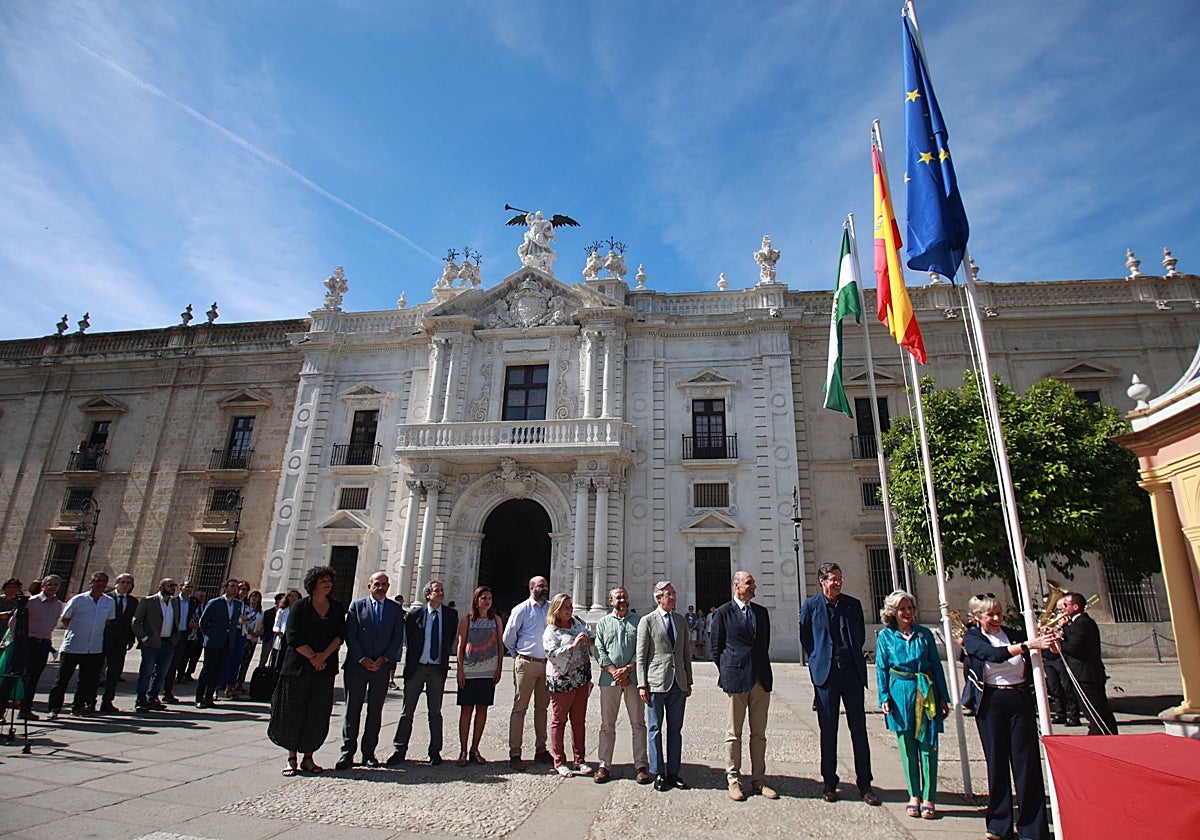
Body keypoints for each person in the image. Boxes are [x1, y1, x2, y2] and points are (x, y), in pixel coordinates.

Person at [961, 594, 1054, 840]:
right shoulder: (973, 638)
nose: (996, 618)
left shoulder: (1013, 633)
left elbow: (1041, 651)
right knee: (997, 763)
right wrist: (1027, 645)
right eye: (990, 614)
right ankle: (999, 824)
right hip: (991, 703)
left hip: (1018, 699)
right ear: (978, 617)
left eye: (999, 613)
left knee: (1027, 764)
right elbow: (992, 654)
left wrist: (1047, 641)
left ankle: (1033, 828)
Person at [799, 562, 879, 805]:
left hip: (851, 674)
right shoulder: (811, 606)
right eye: (833, 579)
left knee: (859, 730)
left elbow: (858, 635)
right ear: (822, 581)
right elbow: (806, 638)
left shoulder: (852, 605)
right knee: (828, 731)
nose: (838, 582)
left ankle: (865, 784)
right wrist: (817, 663)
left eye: (839, 578)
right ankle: (829, 783)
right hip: (827, 675)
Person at [875, 590, 950, 820]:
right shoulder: (886, 637)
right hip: (899, 692)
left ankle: (929, 797)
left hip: (924, 691)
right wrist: (884, 697)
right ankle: (914, 795)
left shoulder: (924, 634)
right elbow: (881, 669)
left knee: (928, 746)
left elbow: (936, 666)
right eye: (902, 609)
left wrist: (943, 696)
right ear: (893, 612)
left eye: (910, 608)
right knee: (907, 747)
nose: (907, 613)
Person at [268, 565, 346, 776]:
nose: (328, 584)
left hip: (324, 667)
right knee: (293, 710)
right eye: (323, 580)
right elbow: (292, 636)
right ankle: (291, 758)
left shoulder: (337, 607)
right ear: (314, 583)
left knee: (317, 712)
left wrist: (323, 657)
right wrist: (313, 656)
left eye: (329, 580)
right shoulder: (300, 606)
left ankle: (308, 757)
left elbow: (340, 634)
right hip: (298, 667)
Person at [710, 571, 778, 801]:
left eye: (753, 582)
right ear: (736, 586)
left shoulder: (761, 613)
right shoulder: (722, 613)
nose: (753, 586)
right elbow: (716, 648)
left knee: (759, 734)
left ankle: (759, 780)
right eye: (749, 583)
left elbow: (764, 644)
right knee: (734, 734)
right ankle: (733, 780)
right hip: (736, 679)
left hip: (760, 679)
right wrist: (728, 671)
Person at [337, 571, 404, 770]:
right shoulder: (356, 606)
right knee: (352, 710)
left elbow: (397, 637)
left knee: (375, 711)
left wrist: (384, 659)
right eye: (377, 584)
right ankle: (347, 752)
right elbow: (351, 634)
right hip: (357, 667)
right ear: (369, 586)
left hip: (381, 667)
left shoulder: (394, 609)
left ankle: (369, 753)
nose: (380, 587)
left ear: (389, 586)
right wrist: (362, 659)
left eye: (384, 584)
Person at [388, 580, 457, 766]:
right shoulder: (415, 614)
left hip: (436, 669)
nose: (441, 593)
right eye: (437, 591)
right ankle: (399, 749)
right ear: (427, 594)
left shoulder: (450, 615)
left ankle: (435, 751)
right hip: (417, 667)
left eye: (442, 590)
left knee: (435, 712)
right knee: (406, 711)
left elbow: (450, 639)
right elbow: (410, 639)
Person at [635, 579, 692, 792]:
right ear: (659, 598)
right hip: (656, 682)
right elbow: (641, 656)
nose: (673, 597)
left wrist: (689, 680)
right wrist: (642, 684)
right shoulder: (647, 621)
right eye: (669, 594)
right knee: (655, 729)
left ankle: (674, 773)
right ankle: (658, 771)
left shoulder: (680, 621)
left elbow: (685, 653)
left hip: (678, 683)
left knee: (675, 730)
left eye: (674, 593)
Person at [593, 586, 650, 785]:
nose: (622, 600)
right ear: (610, 601)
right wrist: (614, 672)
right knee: (607, 724)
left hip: (633, 679)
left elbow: (642, 649)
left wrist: (628, 670)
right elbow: (598, 649)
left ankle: (641, 765)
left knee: (638, 723)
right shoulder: (602, 623)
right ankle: (604, 764)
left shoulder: (639, 622)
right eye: (618, 597)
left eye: (624, 596)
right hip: (609, 680)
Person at [47, 571, 115, 718]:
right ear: (91, 583)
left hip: (94, 648)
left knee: (86, 681)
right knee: (62, 680)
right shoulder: (78, 600)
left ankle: (78, 707)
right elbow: (65, 618)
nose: (101, 583)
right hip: (73, 646)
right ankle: (54, 708)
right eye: (97, 580)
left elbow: (108, 621)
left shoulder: (109, 602)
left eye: (104, 581)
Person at [502, 575, 552, 770]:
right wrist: (519, 655)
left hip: (546, 665)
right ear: (531, 588)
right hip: (526, 663)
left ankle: (541, 749)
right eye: (541, 585)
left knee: (542, 708)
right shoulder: (521, 609)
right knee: (520, 708)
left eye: (545, 585)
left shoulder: (550, 609)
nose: (544, 588)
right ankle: (515, 752)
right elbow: (508, 637)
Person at [542, 593, 594, 777]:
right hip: (562, 679)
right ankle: (559, 761)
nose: (570, 609)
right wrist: (573, 646)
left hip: (580, 678)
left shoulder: (578, 622)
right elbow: (551, 652)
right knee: (559, 720)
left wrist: (588, 639)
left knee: (579, 721)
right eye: (566, 606)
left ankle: (579, 760)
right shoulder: (551, 630)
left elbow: (590, 635)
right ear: (556, 609)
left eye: (571, 605)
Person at [1055, 592, 1119, 735]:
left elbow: (1073, 647)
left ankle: (1099, 735)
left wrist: (1058, 641)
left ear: (1076, 607)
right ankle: (1107, 733)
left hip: (1086, 675)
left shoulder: (1083, 623)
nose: (1062, 608)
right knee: (1098, 708)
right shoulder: (1076, 623)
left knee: (1094, 709)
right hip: (1083, 674)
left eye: (1066, 605)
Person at [1, 575, 63, 720]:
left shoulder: (58, 604)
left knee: (33, 678)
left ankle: (26, 709)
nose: (52, 587)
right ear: (43, 586)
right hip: (26, 642)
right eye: (49, 584)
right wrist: (20, 640)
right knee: (11, 676)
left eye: (55, 585)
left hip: (43, 643)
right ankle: (0, 711)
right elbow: (13, 622)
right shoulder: (31, 602)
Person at [455, 585, 504, 766]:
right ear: (476, 600)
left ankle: (475, 749)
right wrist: (460, 670)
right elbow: (460, 645)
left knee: (482, 709)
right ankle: (463, 750)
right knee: (466, 709)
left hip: (487, 671)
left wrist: (499, 668)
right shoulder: (467, 619)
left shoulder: (496, 620)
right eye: (483, 598)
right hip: (469, 671)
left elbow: (500, 644)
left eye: (489, 598)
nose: (487, 601)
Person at [131, 578, 181, 712]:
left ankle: (152, 698)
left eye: (174, 586)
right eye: (170, 585)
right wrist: (144, 638)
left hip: (168, 642)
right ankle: (140, 700)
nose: (172, 588)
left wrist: (175, 638)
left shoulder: (174, 602)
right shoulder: (148, 601)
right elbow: (136, 622)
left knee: (161, 673)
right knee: (146, 672)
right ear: (161, 587)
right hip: (152, 643)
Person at [195, 579, 243, 708]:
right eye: (232, 586)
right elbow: (203, 622)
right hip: (213, 641)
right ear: (225, 588)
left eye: (236, 587)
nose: (234, 589)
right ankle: (199, 697)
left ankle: (209, 697)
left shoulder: (238, 604)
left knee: (217, 671)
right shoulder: (215, 602)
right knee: (207, 670)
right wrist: (209, 636)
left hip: (227, 642)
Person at [100, 573, 138, 713]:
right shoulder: (106, 598)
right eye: (123, 582)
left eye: (128, 582)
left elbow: (131, 622)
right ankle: (90, 701)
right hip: (103, 638)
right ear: (116, 583)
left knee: (114, 672)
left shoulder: (133, 601)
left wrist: (131, 638)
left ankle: (107, 701)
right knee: (96, 670)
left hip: (120, 641)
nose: (125, 585)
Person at [164, 580, 200, 702]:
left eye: (191, 587)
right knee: (165, 664)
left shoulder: (192, 603)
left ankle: (168, 692)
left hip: (184, 635)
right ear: (181, 588)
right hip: (172, 635)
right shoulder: (173, 601)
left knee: (175, 663)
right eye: (187, 586)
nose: (189, 589)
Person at [234, 589, 264, 692]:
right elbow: (243, 621)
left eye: (257, 597)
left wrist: (259, 632)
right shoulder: (246, 609)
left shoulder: (260, 612)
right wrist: (251, 631)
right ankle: (233, 682)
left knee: (246, 662)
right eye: (253, 596)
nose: (254, 598)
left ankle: (240, 682)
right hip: (245, 637)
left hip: (254, 640)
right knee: (238, 660)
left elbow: (262, 624)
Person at [258, 593, 284, 669]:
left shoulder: (285, 612)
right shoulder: (268, 612)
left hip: (279, 638)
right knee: (264, 658)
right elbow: (264, 625)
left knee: (275, 658)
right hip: (268, 637)